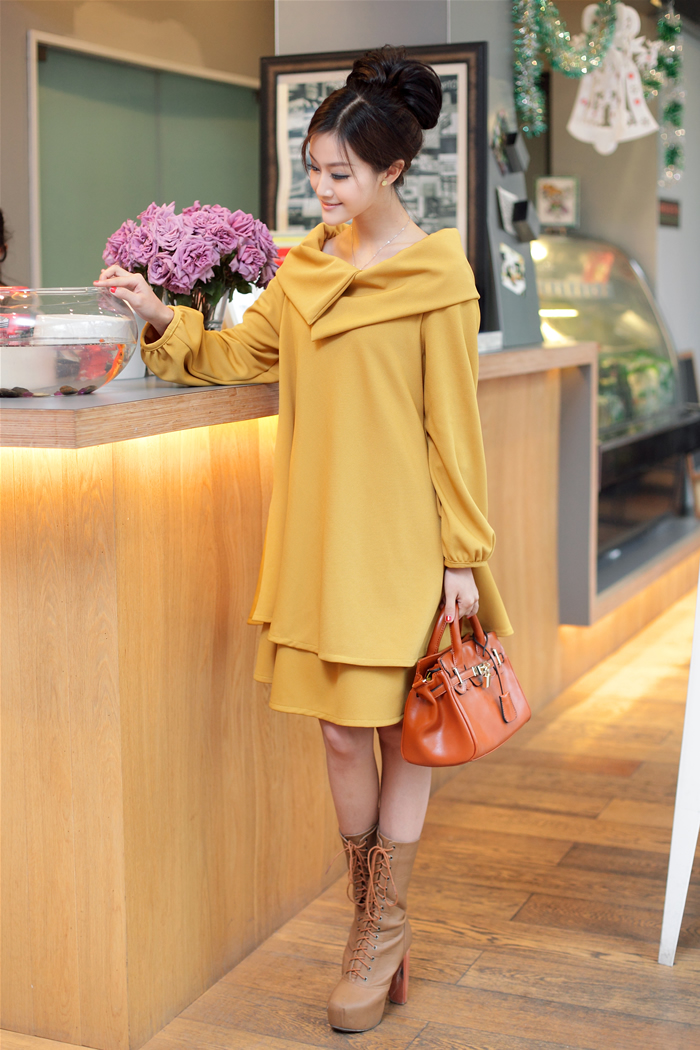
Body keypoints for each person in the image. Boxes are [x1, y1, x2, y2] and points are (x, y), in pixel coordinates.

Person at [95, 45, 512, 1034]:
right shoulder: (308, 269)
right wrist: (160, 315)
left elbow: (453, 428)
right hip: (321, 535)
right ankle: (374, 926)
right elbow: (240, 353)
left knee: (401, 728)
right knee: (337, 732)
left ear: (391, 170)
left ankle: (377, 934)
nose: (320, 190)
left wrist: (461, 556)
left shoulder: (437, 277)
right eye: (313, 170)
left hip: (405, 539)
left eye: (340, 174)